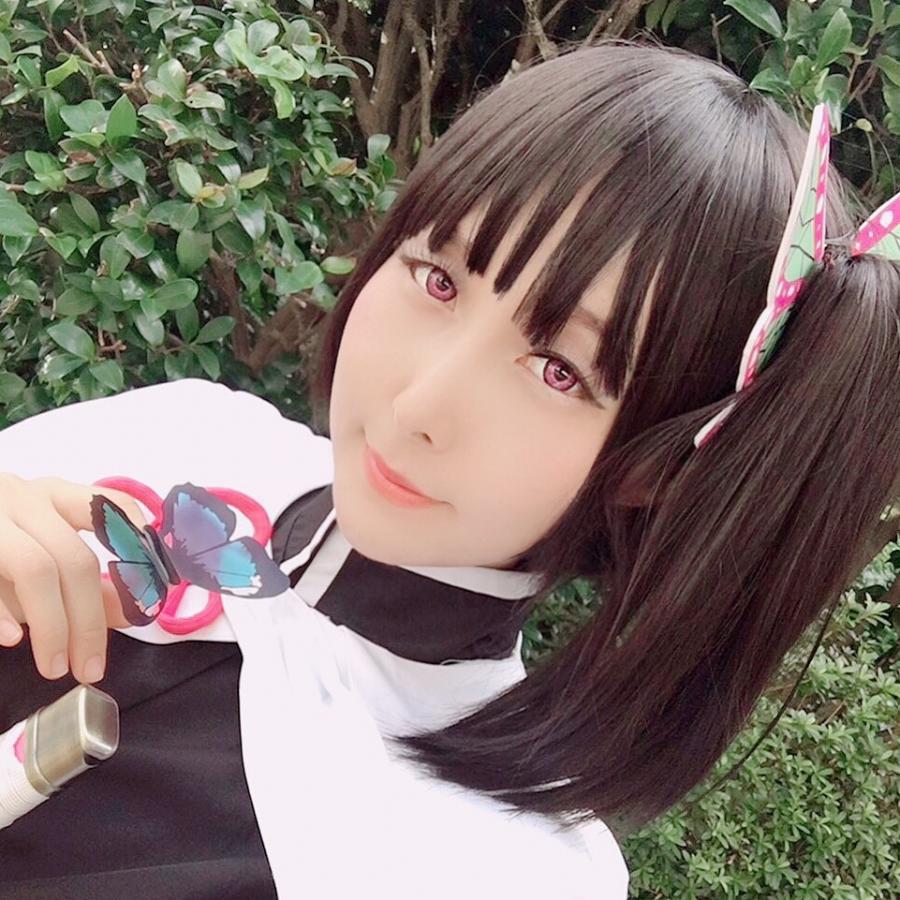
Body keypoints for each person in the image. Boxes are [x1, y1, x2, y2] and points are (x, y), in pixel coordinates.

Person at [0, 40, 898, 898]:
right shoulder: (186, 433)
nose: (419, 405)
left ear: (653, 470)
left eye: (559, 371)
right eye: (438, 279)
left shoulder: (503, 872)